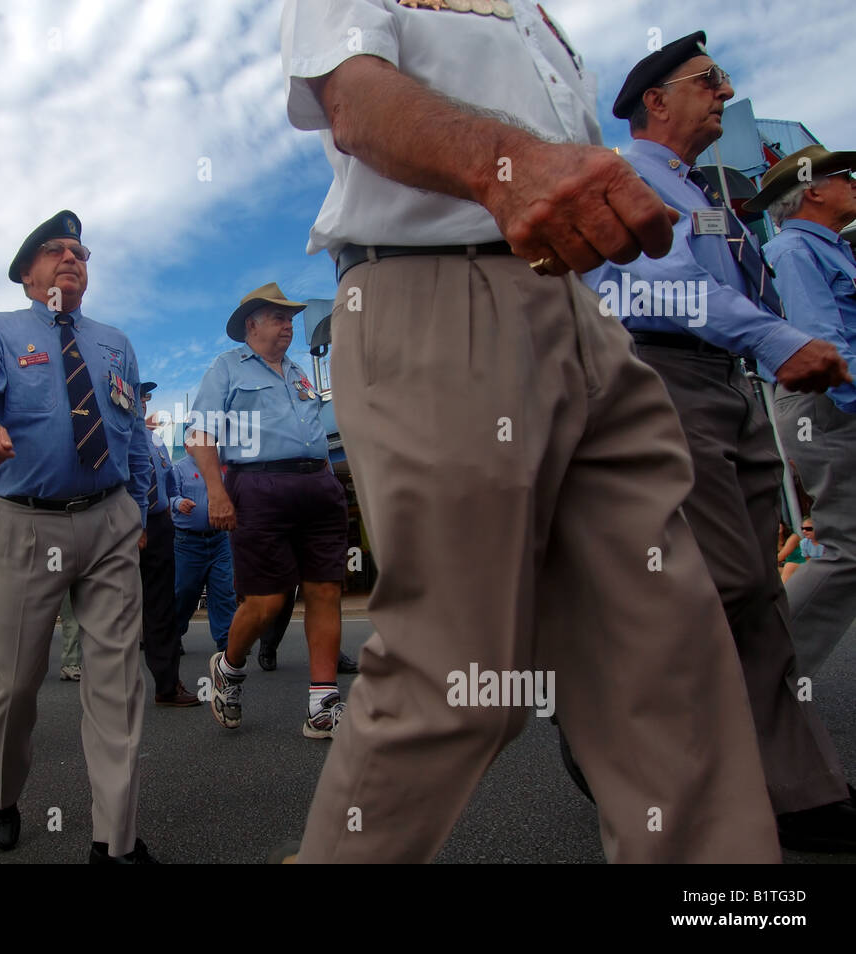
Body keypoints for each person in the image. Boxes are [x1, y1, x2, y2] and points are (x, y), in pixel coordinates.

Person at [280, 0, 781, 862]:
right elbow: (356, 102)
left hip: (576, 313)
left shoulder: (537, 18)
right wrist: (512, 163)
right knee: (459, 676)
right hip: (436, 293)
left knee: (669, 660)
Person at [586, 33, 856, 852]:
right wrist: (774, 339)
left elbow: (721, 278)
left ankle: (798, 791)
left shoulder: (697, 188)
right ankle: (659, 778)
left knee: (758, 594)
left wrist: (754, 349)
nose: (725, 92)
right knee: (721, 587)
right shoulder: (628, 177)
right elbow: (661, 282)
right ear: (654, 102)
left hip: (723, 379)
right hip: (662, 373)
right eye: (708, 81)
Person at [0, 210, 158, 863]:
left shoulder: (114, 341)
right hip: (26, 522)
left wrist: (138, 510)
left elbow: (134, 433)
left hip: (110, 519)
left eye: (81, 252)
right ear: (27, 271)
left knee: (118, 682)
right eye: (56, 250)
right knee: (18, 680)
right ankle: (0, 792)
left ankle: (113, 842)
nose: (72, 259)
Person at [187, 282, 348, 739]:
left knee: (325, 590)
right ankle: (229, 668)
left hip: (318, 485)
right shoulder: (227, 368)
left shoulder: (299, 372)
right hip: (258, 486)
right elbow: (200, 433)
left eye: (291, 319)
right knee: (267, 600)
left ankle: (323, 703)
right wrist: (217, 493)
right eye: (279, 317)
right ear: (251, 324)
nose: (288, 325)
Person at [745, 145, 856, 677]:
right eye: (844, 175)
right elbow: (824, 347)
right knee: (846, 546)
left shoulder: (830, 249)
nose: (854, 181)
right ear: (812, 189)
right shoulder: (793, 251)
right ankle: (764, 681)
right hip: (830, 402)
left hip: (833, 399)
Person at [138, 382, 198, 707]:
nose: (143, 402)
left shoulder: (157, 442)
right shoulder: (114, 435)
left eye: (145, 397)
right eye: (136, 396)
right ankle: (110, 693)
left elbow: (170, 484)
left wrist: (174, 507)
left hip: (159, 525)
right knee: (114, 608)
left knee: (161, 606)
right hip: (123, 525)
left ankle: (167, 684)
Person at [170, 456, 236, 655]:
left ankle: (227, 642)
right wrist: (178, 503)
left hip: (220, 540)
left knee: (224, 591)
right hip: (188, 543)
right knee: (184, 593)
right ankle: (174, 635)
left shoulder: (222, 466)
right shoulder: (179, 469)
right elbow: (169, 495)